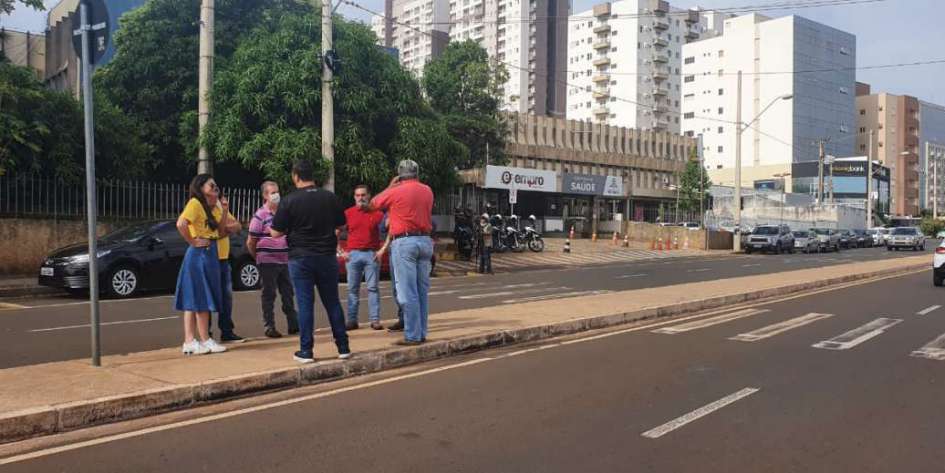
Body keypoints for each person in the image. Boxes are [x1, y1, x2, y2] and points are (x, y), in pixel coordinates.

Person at [270, 161, 350, 363]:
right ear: (313, 176)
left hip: (301, 258)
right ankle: (343, 346)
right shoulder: (329, 198)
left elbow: (275, 233)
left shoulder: (289, 201)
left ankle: (306, 350)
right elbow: (341, 224)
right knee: (332, 301)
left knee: (305, 305)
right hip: (327, 256)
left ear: (295, 176)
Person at [370, 160, 434, 346]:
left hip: (404, 242)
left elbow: (374, 203)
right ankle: (421, 332)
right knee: (422, 291)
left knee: (407, 292)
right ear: (417, 173)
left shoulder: (395, 190)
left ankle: (412, 335)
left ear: (399, 174)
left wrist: (390, 186)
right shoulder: (427, 190)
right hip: (425, 241)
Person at [173, 174, 228, 355]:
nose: (215, 187)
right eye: (211, 185)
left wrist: (224, 209)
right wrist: (193, 241)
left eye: (215, 185)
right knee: (199, 297)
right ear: (200, 187)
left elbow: (220, 232)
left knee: (196, 297)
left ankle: (195, 341)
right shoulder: (195, 203)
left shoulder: (209, 206)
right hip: (199, 253)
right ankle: (200, 340)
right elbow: (181, 223)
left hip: (208, 252)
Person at [247, 181, 299, 338]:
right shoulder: (260, 216)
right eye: (272, 193)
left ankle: (294, 325)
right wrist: (257, 257)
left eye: (277, 192)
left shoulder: (284, 213)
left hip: (285, 260)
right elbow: (251, 241)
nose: (276, 195)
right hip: (267, 261)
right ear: (265, 195)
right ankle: (269, 326)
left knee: (288, 294)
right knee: (269, 295)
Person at [340, 185, 385, 331]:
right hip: (353, 255)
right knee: (352, 289)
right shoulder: (348, 213)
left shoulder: (378, 214)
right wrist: (341, 252)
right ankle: (352, 320)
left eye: (363, 195)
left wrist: (382, 250)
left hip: (371, 254)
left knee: (373, 288)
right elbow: (335, 231)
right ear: (354, 197)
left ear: (369, 196)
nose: (361, 198)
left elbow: (389, 230)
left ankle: (375, 320)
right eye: (358, 195)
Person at [213, 187, 244, 343]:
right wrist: (225, 227)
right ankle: (207, 333)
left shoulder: (219, 207)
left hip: (224, 258)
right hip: (211, 258)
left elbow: (238, 226)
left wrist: (227, 227)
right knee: (210, 296)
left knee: (227, 297)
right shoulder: (208, 209)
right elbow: (219, 231)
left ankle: (227, 330)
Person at [376, 219, 405, 332]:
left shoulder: (395, 207)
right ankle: (405, 319)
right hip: (399, 244)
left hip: (400, 245)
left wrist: (383, 249)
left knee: (401, 288)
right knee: (399, 288)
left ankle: (407, 321)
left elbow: (387, 227)